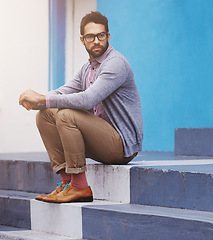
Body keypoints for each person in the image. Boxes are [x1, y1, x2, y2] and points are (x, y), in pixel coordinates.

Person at [18, 11, 143, 203]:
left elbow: (87, 100)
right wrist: (38, 102)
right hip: (101, 139)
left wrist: (42, 97)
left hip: (121, 146)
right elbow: (63, 92)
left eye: (101, 35)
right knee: (45, 115)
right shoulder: (87, 68)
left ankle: (80, 186)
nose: (96, 41)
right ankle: (67, 183)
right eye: (90, 37)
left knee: (66, 115)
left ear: (108, 37)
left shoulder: (115, 64)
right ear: (82, 40)